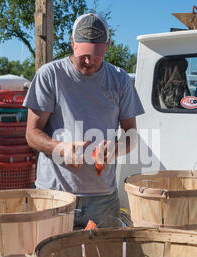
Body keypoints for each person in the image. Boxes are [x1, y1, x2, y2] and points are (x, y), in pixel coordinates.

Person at [23, 13, 145, 228]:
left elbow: (131, 135)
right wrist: (60, 148)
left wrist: (116, 148)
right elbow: (32, 134)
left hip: (103, 199)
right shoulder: (49, 75)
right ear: (72, 44)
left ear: (107, 44)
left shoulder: (121, 80)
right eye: (84, 54)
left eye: (96, 55)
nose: (89, 61)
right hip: (54, 196)